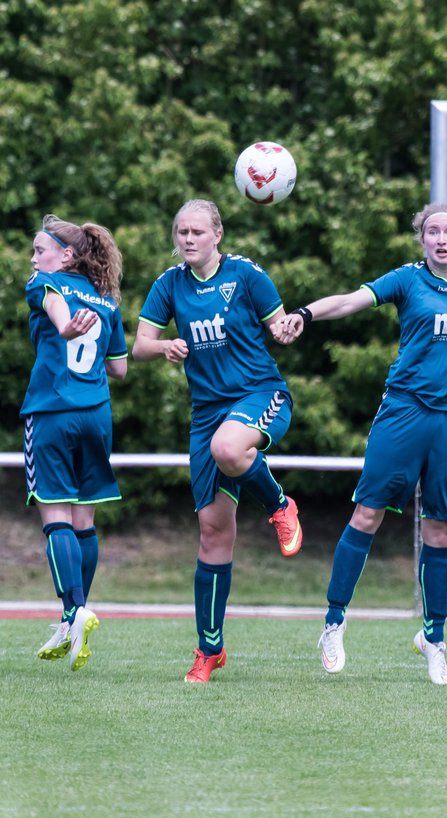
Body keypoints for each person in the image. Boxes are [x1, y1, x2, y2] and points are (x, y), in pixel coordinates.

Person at [274, 201, 447, 685]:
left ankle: (434, 637)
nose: (441, 239)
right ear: (421, 240)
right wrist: (304, 313)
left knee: (441, 532)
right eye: (432, 232)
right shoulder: (406, 280)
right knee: (367, 514)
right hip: (404, 413)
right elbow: (348, 301)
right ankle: (334, 622)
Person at [133, 199, 302, 683]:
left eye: (197, 231)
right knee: (212, 532)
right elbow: (140, 342)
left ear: (217, 235)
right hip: (206, 413)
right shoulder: (169, 285)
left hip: (259, 394)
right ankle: (210, 651)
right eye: (181, 231)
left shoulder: (247, 276)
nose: (188, 238)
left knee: (229, 450)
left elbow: (278, 324)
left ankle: (280, 506)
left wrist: (288, 329)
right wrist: (163, 345)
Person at [23, 214, 128, 672]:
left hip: (51, 412)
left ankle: (73, 612)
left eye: (39, 250)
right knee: (84, 520)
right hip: (97, 414)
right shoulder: (106, 299)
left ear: (66, 255)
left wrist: (65, 330)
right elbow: (120, 369)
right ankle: (75, 614)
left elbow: (57, 314)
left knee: (55, 517)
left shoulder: (46, 284)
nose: (33, 259)